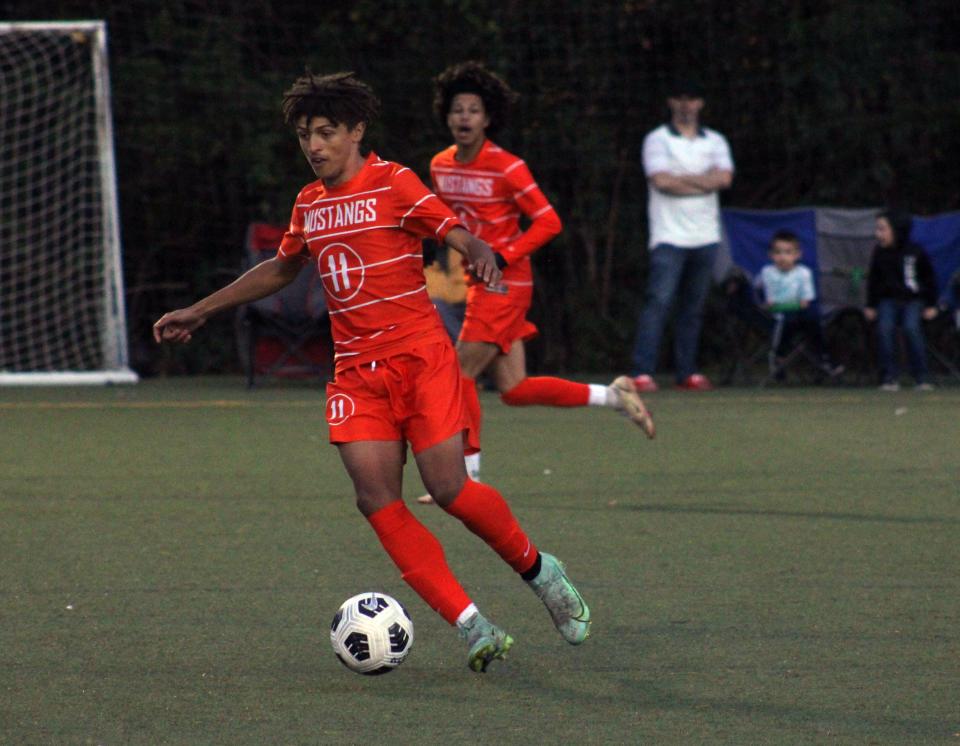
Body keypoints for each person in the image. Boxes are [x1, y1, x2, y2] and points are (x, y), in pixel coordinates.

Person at [153, 71, 592, 674]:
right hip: (357, 374)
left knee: (449, 490)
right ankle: (472, 625)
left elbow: (449, 226)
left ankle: (542, 572)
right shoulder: (309, 203)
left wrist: (479, 250)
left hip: (421, 359)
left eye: (327, 132)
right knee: (375, 498)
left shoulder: (394, 182)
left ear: (357, 131)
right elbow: (281, 270)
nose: (314, 145)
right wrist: (199, 310)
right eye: (306, 134)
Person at [423, 60, 654, 493]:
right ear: (446, 115)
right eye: (457, 109)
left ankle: (466, 478)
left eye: (473, 109)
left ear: (488, 117)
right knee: (513, 388)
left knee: (458, 374)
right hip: (479, 282)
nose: (464, 117)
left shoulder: (508, 166)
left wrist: (503, 256)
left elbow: (548, 222)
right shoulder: (440, 165)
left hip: (507, 283)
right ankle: (613, 394)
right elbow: (450, 222)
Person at [631, 76, 734, 392]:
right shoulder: (658, 139)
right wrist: (703, 180)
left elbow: (725, 179)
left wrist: (684, 180)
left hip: (705, 235)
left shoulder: (714, 141)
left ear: (700, 103)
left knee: (693, 306)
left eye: (692, 99)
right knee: (659, 302)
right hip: (668, 235)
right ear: (672, 103)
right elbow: (661, 181)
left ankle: (686, 371)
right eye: (680, 98)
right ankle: (642, 372)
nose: (686, 105)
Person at [863, 209, 939, 391]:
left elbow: (929, 279)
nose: (878, 234)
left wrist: (931, 305)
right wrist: (871, 305)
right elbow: (873, 280)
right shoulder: (879, 253)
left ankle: (921, 376)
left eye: (882, 229)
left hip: (914, 300)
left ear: (897, 230)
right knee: (884, 328)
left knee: (911, 328)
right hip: (887, 300)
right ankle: (889, 376)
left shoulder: (915, 252)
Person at [758, 229, 843, 380]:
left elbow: (805, 302)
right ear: (770, 255)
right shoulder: (767, 272)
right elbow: (770, 302)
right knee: (788, 318)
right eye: (778, 252)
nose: (782, 257)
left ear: (798, 255)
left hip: (801, 316)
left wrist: (788, 304)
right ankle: (778, 357)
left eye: (788, 252)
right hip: (778, 316)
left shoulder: (804, 273)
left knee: (812, 317)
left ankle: (824, 359)